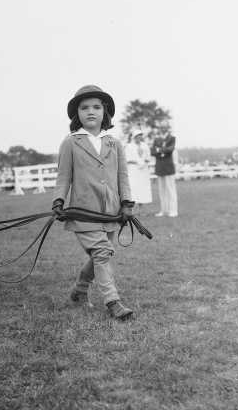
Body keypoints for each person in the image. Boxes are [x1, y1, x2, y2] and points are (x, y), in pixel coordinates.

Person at [52, 85, 135, 320]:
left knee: (101, 253)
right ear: (76, 113)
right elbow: (63, 176)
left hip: (110, 210)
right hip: (83, 210)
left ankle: (79, 291)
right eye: (84, 107)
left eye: (96, 107)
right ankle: (113, 302)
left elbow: (123, 176)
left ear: (105, 112)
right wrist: (58, 200)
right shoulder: (70, 142)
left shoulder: (114, 143)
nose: (91, 112)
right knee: (101, 252)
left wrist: (127, 202)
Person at [151, 121, 178, 217]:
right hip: (160, 167)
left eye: (164, 127)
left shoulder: (172, 138)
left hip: (168, 167)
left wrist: (159, 150)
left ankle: (173, 210)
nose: (163, 128)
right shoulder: (156, 139)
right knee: (161, 191)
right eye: (161, 127)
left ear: (167, 128)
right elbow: (152, 151)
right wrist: (161, 151)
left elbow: (170, 149)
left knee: (171, 190)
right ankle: (164, 210)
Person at [124, 129, 152, 210]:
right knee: (134, 188)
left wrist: (144, 163)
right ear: (134, 137)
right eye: (137, 136)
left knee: (143, 188)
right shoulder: (129, 146)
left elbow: (148, 157)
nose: (139, 137)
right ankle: (134, 209)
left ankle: (142, 209)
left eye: (140, 135)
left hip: (143, 170)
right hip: (133, 170)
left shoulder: (145, 146)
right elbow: (127, 158)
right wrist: (137, 162)